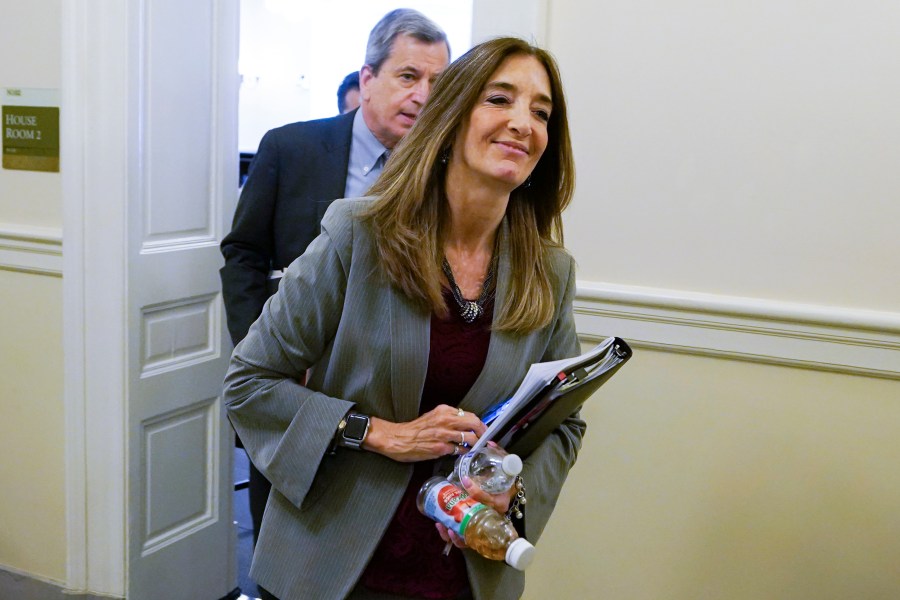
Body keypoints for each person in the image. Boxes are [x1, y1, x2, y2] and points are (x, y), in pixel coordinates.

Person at [224, 37, 581, 600]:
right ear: (451, 116)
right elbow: (249, 383)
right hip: (335, 565)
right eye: (500, 99)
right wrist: (379, 434)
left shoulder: (550, 272)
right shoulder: (358, 235)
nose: (522, 122)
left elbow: (563, 423)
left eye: (541, 112)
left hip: (466, 569)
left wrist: (507, 495)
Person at [219, 7, 450, 571]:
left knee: (361, 544)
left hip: (388, 393)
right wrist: (267, 352)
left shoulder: (444, 172)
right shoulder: (290, 148)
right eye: (408, 76)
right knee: (281, 531)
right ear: (367, 80)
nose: (422, 96)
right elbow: (243, 254)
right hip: (292, 378)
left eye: (437, 84)